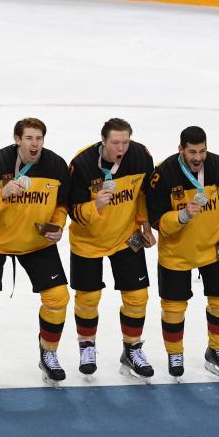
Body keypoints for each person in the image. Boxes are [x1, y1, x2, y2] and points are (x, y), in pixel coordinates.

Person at [0, 118, 72, 386]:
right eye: (29, 138)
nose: (34, 144)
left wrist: (58, 225)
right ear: (17, 139)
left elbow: (62, 204)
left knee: (58, 297)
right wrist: (0, 195)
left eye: (39, 139)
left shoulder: (56, 165)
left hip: (35, 241)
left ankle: (48, 353)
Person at [146, 126, 219, 380]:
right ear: (181, 149)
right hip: (176, 253)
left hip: (214, 247)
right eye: (192, 152)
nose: (198, 157)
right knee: (174, 308)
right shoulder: (163, 174)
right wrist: (182, 216)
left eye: (202, 151)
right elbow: (156, 222)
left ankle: (217, 351)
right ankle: (175, 354)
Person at [67, 118, 156, 382]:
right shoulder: (81, 164)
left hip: (126, 238)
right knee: (88, 298)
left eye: (125, 142)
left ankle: (132, 349)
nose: (121, 148)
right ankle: (87, 347)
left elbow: (142, 194)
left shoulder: (140, 156)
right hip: (88, 241)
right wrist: (94, 206)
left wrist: (145, 225)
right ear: (103, 141)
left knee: (138, 296)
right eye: (115, 142)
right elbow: (71, 210)